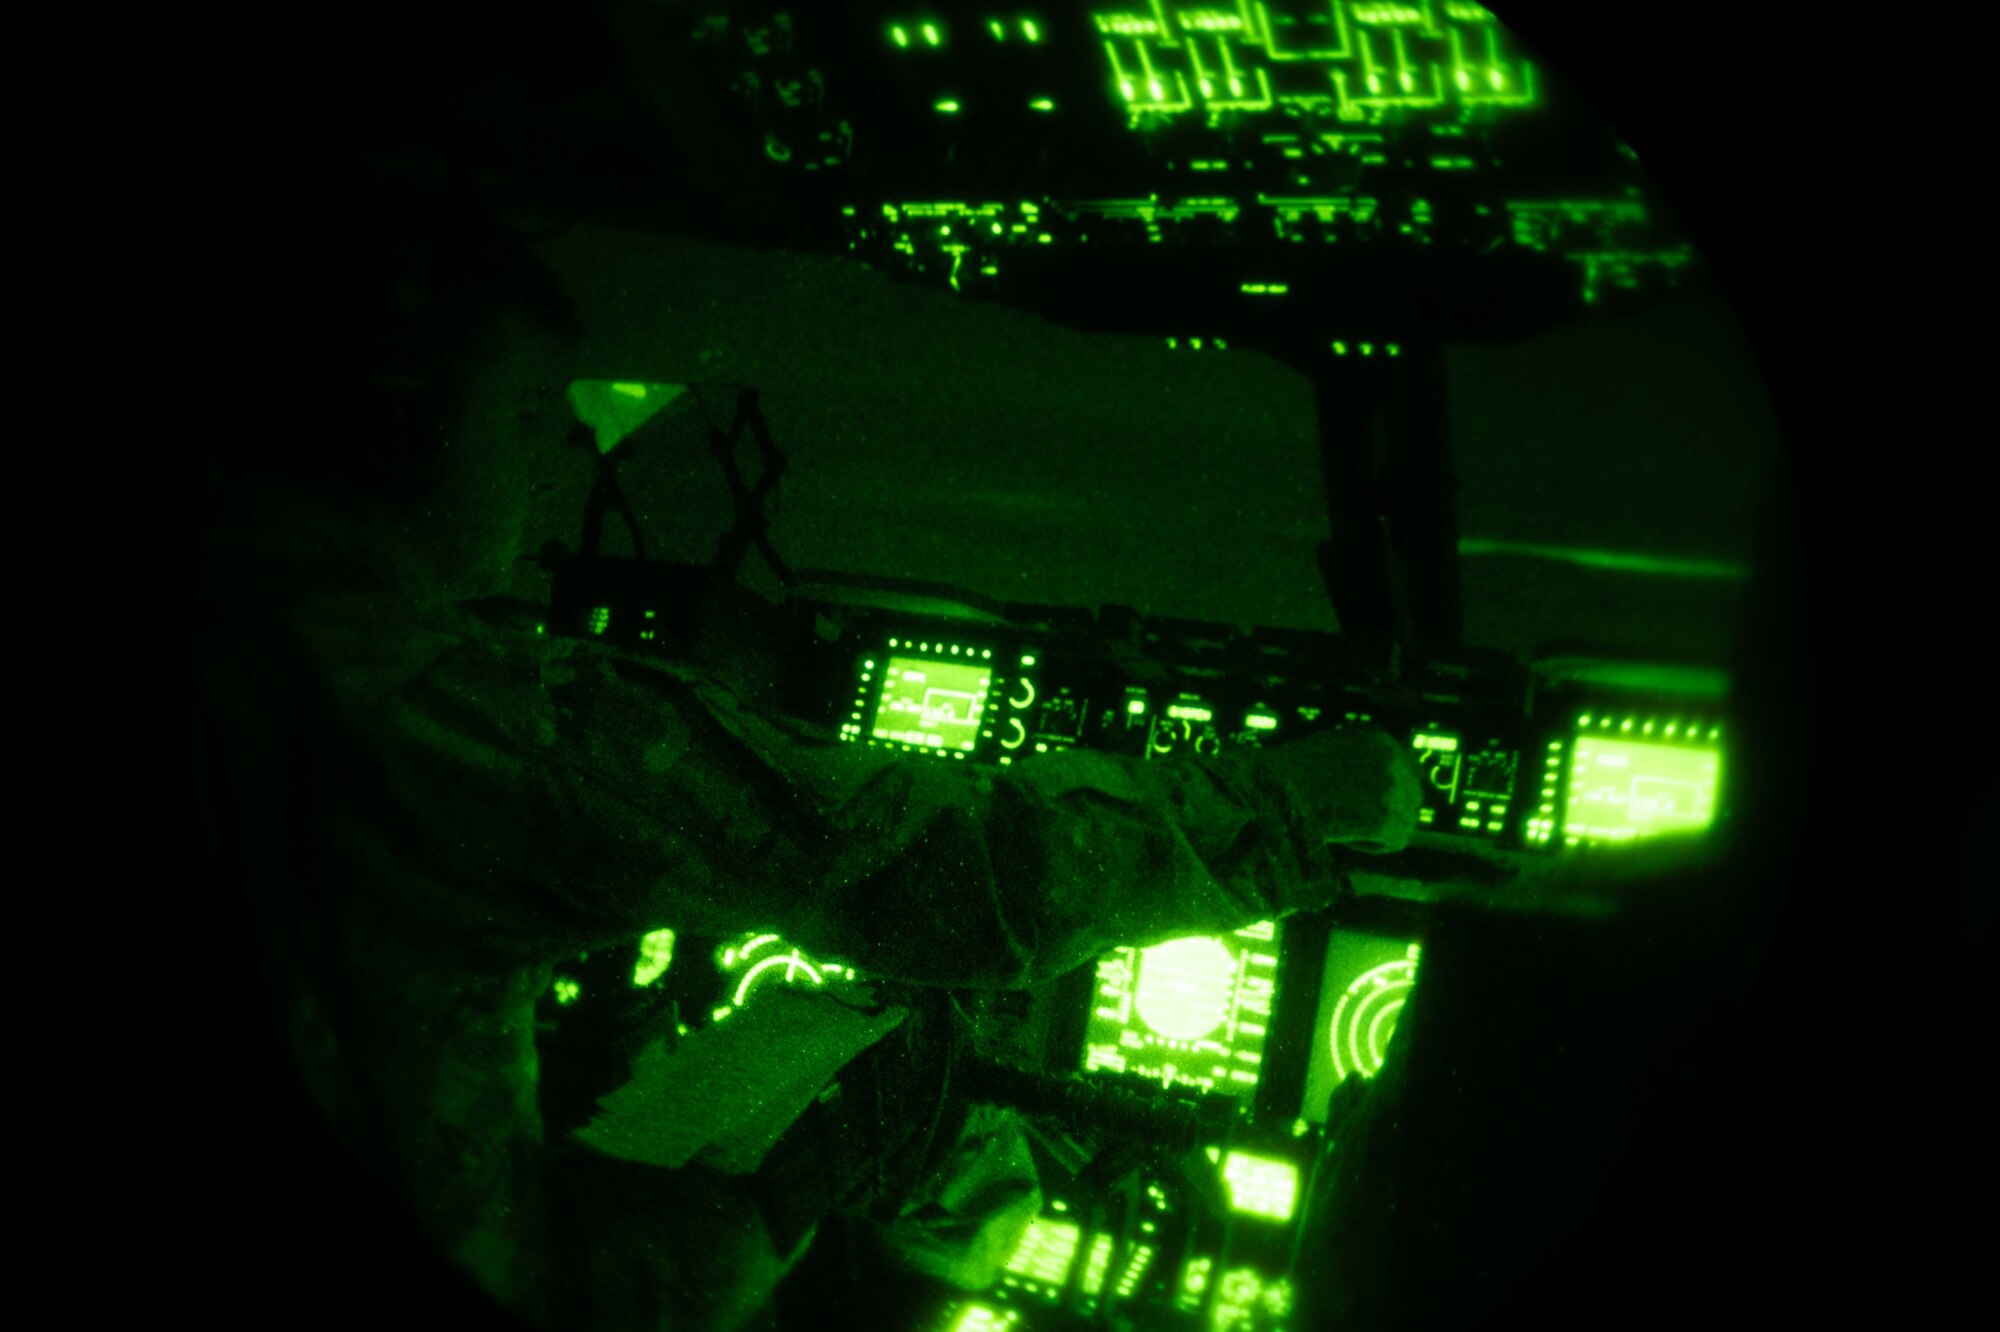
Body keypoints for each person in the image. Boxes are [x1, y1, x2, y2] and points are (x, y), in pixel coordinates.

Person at [193, 164, 1424, 1331]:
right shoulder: (436, 705)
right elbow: (924, 869)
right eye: (518, 411)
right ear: (398, 418)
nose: (548, 456)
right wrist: (1287, 805)